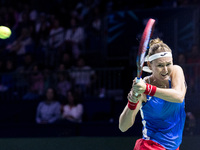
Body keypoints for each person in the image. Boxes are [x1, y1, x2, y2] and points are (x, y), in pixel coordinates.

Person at [119, 38, 186, 150]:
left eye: (168, 64)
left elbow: (179, 96)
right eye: (160, 65)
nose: (165, 70)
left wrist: (148, 89)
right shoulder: (143, 87)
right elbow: (123, 127)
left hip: (173, 146)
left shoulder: (176, 71)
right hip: (150, 146)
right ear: (150, 66)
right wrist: (132, 102)